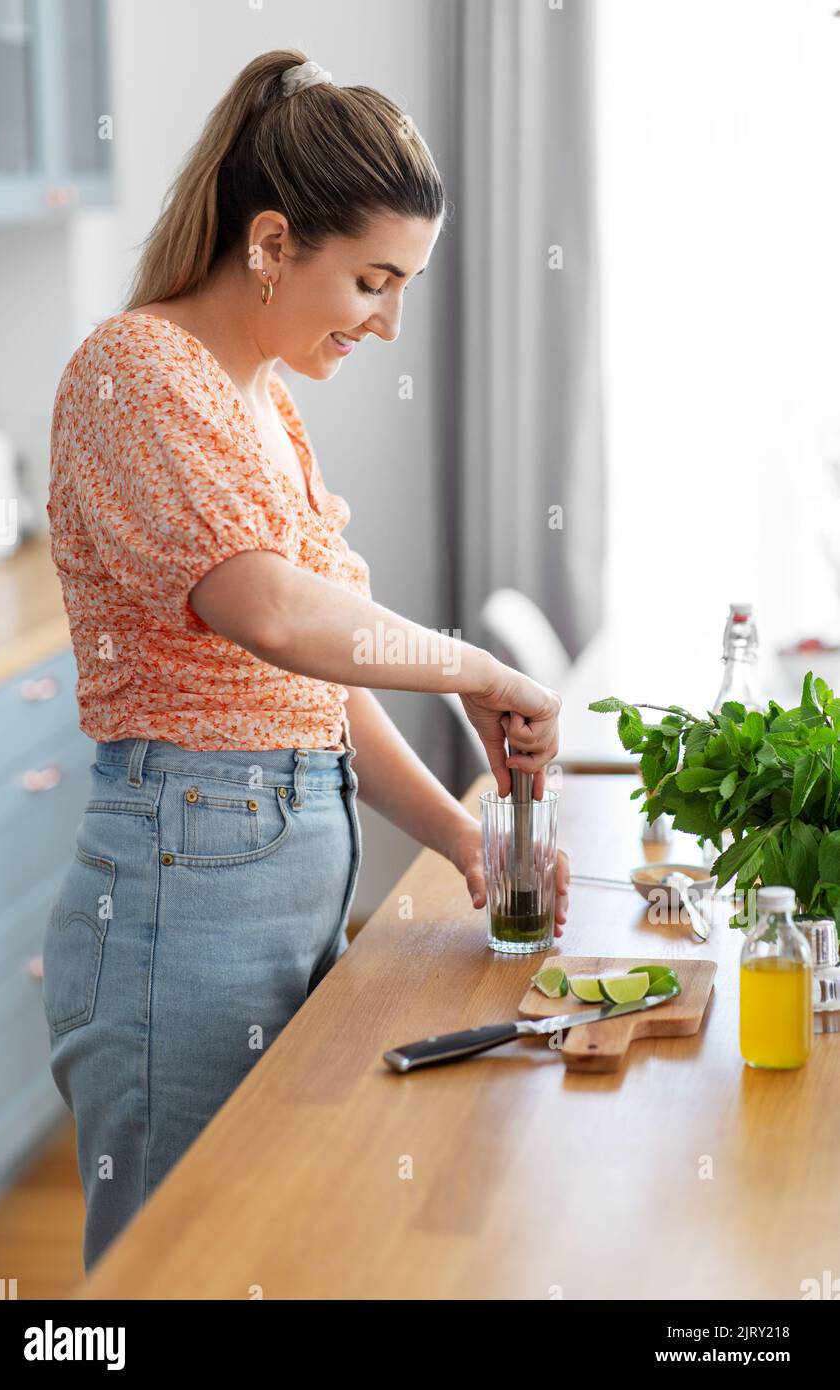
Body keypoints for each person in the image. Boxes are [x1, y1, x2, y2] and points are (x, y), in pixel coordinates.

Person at [43, 49, 571, 1275]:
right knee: (164, 1274)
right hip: (175, 905)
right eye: (371, 279)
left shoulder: (262, 405)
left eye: (404, 286)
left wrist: (458, 837)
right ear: (272, 242)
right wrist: (474, 673)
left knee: (261, 1251)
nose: (387, 320)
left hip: (266, 890)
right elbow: (273, 615)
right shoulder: (136, 373)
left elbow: (311, 691)